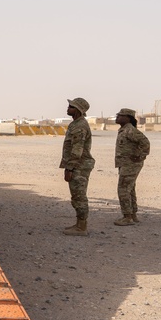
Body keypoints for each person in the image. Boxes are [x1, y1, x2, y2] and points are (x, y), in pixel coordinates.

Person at [59, 97, 94, 236]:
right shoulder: (76, 124)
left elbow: (77, 150)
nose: (68, 108)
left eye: (71, 106)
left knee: (79, 196)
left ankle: (82, 227)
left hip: (79, 165)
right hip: (78, 165)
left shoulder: (80, 126)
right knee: (76, 195)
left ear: (78, 110)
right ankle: (79, 224)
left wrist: (70, 168)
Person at [113, 107, 151, 226]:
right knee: (130, 189)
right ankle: (133, 214)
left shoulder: (130, 130)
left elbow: (145, 142)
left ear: (127, 118)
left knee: (123, 189)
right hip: (125, 164)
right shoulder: (124, 130)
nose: (117, 117)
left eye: (120, 115)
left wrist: (139, 155)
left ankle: (127, 217)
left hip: (130, 164)